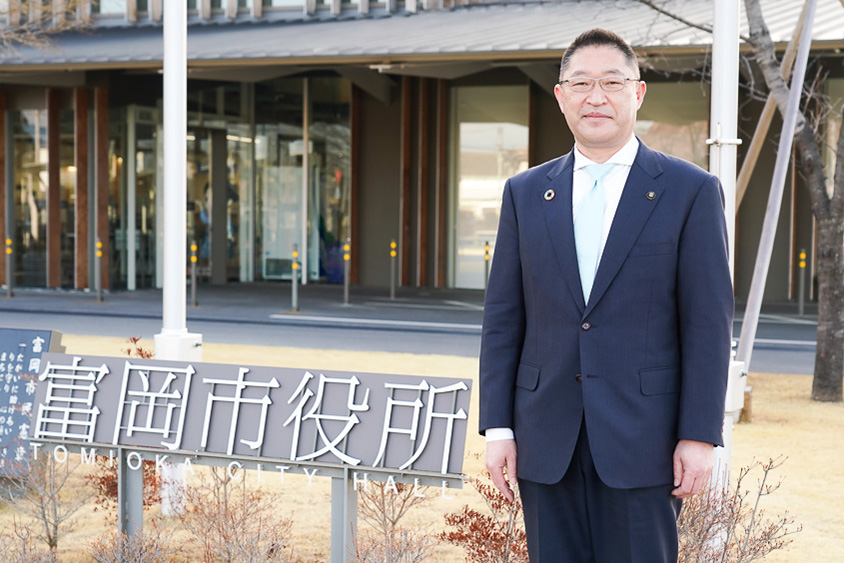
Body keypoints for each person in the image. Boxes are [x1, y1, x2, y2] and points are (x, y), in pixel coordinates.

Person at [479, 28, 733, 562]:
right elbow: (503, 318)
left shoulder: (690, 191)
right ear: (561, 96)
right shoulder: (525, 193)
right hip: (546, 439)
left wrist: (699, 435)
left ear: (637, 93)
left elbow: (707, 324)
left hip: (646, 442)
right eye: (581, 83)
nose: (596, 97)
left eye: (612, 83)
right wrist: (498, 427)